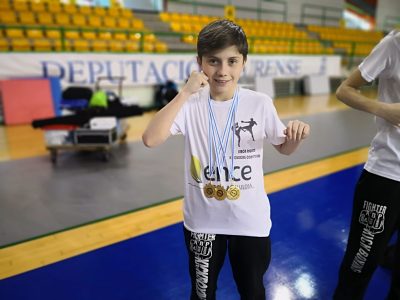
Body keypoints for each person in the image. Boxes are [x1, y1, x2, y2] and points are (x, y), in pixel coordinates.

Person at [142, 19, 310, 300]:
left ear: (244, 62)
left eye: (232, 61)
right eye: (213, 61)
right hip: (203, 222)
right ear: (200, 63)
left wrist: (295, 137)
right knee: (202, 294)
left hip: (249, 221)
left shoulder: (259, 103)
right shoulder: (190, 104)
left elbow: (284, 148)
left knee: (252, 292)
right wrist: (184, 93)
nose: (222, 71)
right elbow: (150, 138)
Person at [333, 29, 400, 300]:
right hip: (387, 174)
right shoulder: (393, 44)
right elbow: (344, 90)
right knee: (361, 262)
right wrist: (385, 109)